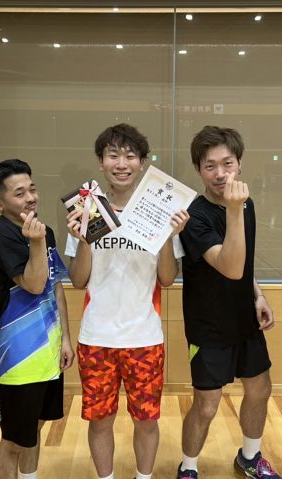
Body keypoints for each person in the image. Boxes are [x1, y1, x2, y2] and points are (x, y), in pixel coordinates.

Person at [65, 123, 189, 479]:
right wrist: (84, 239)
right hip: (96, 337)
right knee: (100, 421)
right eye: (113, 155)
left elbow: (167, 279)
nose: (122, 163)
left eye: (130, 156)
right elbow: (78, 281)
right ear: (101, 162)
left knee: (146, 421)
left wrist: (166, 235)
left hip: (144, 337)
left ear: (142, 163)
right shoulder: (88, 211)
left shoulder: (160, 211)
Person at [178, 125, 282, 479]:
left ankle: (250, 457)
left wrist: (258, 295)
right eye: (210, 166)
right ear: (199, 169)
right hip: (208, 327)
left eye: (227, 164)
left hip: (245, 322)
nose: (220, 173)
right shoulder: (195, 217)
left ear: (239, 164)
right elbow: (230, 266)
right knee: (207, 406)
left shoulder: (244, 203)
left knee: (260, 389)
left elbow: (245, 264)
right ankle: (188, 466)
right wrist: (235, 210)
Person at [0, 159, 74, 479]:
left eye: (32, 189)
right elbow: (34, 284)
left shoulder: (43, 231)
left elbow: (54, 286)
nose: (31, 197)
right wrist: (36, 242)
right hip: (19, 357)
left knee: (34, 427)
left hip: (48, 350)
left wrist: (65, 338)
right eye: (19, 193)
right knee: (13, 439)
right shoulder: (0, 235)